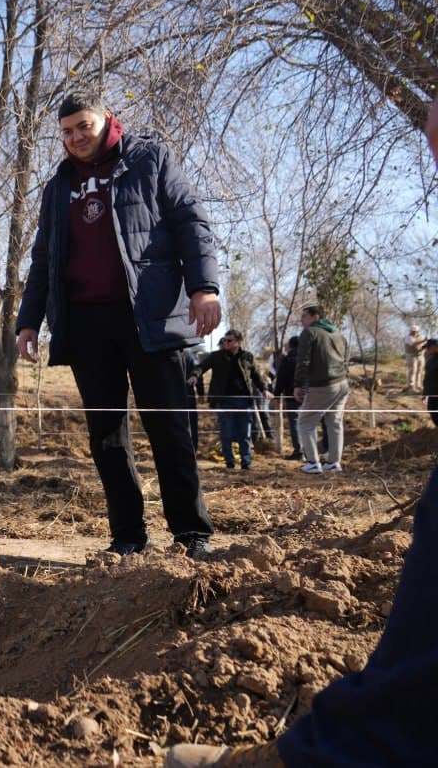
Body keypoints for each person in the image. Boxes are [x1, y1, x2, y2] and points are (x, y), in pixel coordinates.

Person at [163, 98, 438, 768]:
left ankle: (351, 751)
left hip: (300, 394)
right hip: (259, 401)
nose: (427, 139)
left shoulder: (298, 345)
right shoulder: (230, 356)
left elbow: (267, 381)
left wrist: (273, 397)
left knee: (317, 431)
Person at [15, 90, 222, 560]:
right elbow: (44, 258)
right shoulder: (57, 187)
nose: (75, 138)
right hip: (86, 323)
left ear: (107, 119)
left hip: (150, 317)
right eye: (66, 132)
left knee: (169, 428)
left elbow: (191, 222)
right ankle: (127, 536)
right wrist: (28, 322)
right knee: (106, 436)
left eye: (82, 126)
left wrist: (203, 287)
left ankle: (192, 534)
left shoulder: (150, 159)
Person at [192, 329, 270, 470]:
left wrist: (264, 390)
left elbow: (256, 375)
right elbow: (201, 367)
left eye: (229, 340)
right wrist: (194, 376)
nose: (225, 343)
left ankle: (246, 462)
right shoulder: (216, 356)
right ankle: (229, 462)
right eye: (224, 340)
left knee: (244, 433)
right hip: (224, 400)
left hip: (245, 401)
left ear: (238, 342)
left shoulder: (247, 357)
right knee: (226, 433)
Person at [294, 304, 349, 474]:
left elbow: (303, 361)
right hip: (342, 384)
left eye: (304, 316)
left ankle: (312, 462)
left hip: (322, 385)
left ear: (315, 316)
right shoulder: (338, 333)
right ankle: (334, 462)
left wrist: (298, 384)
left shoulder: (310, 333)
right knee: (335, 423)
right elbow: (346, 358)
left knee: (305, 422)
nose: (301, 320)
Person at [270, 336, 303, 459]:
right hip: (309, 395)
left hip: (291, 395)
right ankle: (310, 451)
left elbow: (281, 379)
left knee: (295, 423)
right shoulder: (308, 359)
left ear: (290, 346)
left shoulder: (288, 359)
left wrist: (277, 395)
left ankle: (299, 452)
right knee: (309, 423)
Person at [405, 325, 427, 392]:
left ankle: (419, 385)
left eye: (415, 331)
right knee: (413, 371)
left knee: (420, 371)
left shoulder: (421, 337)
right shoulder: (408, 337)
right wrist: (424, 340)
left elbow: (424, 345)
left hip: (420, 355)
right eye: (413, 331)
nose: (414, 332)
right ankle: (411, 385)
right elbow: (414, 344)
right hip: (411, 356)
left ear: (417, 331)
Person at [424, 337, 438, 427]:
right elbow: (427, 377)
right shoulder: (430, 360)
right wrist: (425, 393)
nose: (427, 349)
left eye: (428, 347)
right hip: (432, 392)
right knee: (432, 411)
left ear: (435, 346)